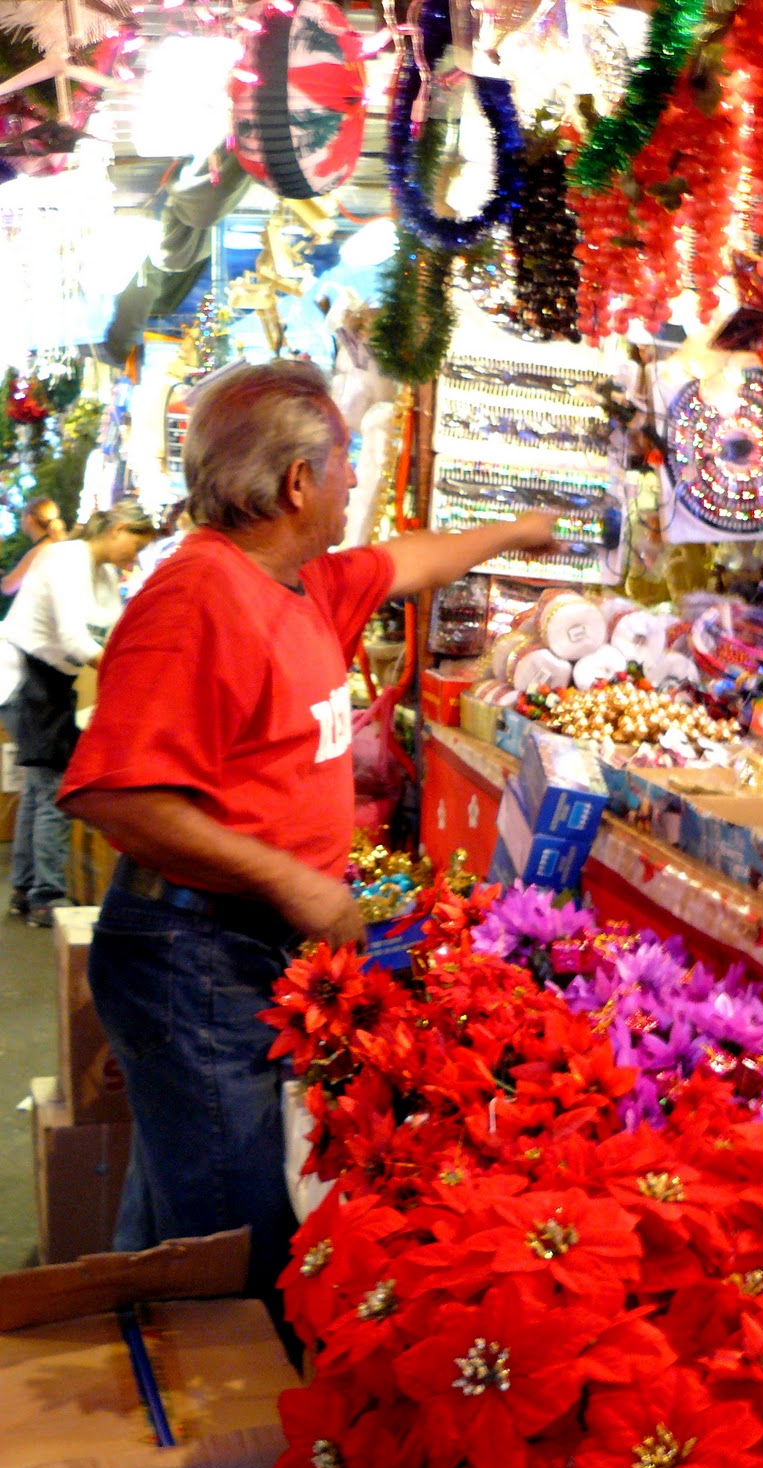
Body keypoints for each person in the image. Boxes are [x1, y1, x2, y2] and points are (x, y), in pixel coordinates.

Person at [58, 360, 558, 1327]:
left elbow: (414, 558)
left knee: (180, 1216)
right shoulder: (196, 598)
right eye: (345, 465)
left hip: (239, 951)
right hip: (195, 957)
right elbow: (115, 794)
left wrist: (524, 531)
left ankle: (138, 1414)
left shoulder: (302, 586)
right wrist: (297, 884)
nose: (350, 485)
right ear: (297, 484)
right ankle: (211, 1451)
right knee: (232, 1253)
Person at [1, 501, 157, 924]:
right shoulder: (64, 559)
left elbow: (118, 631)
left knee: (39, 789)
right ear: (118, 528)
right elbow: (75, 640)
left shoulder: (104, 573)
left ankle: (25, 889)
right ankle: (46, 897)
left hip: (52, 684)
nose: (136, 556)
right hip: (23, 676)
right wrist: (128, 676)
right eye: (136, 544)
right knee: (55, 789)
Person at [0, 497, 66, 618]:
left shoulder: (40, 550)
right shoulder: (55, 546)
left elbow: (8, 587)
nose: (21, 521)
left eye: (22, 517)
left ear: (30, 519)